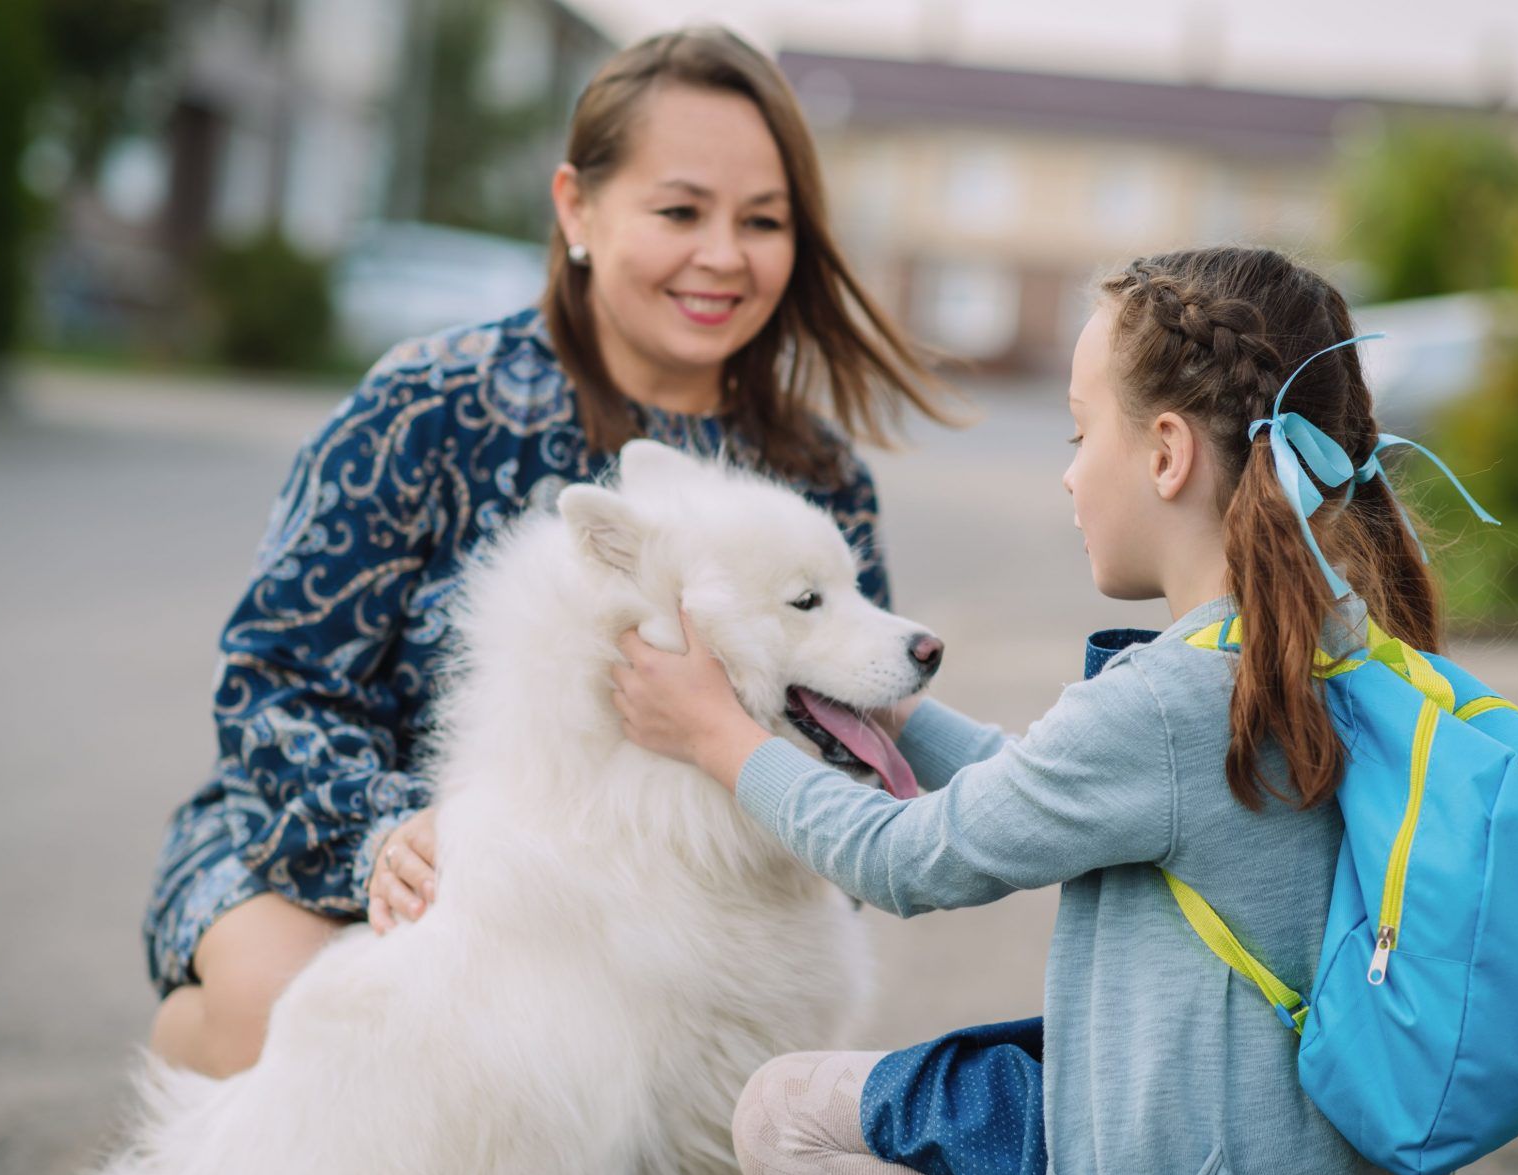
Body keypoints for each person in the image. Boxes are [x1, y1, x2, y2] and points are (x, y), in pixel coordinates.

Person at [611, 246, 1457, 1175]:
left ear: (1161, 454)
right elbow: (1052, 786)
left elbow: (905, 859)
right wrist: (890, 712)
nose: (1064, 472)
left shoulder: (1164, 704)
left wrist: (722, 738)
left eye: (1075, 431)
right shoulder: (1337, 646)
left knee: (782, 1115)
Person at [143, 25, 953, 1078]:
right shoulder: (426, 405)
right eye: (679, 211)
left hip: (662, 918)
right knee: (305, 1016)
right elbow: (272, 678)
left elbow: (848, 736)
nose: (723, 254)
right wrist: (387, 831)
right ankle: (184, 1118)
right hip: (345, 854)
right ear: (576, 207)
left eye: (763, 221)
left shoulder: (812, 467)